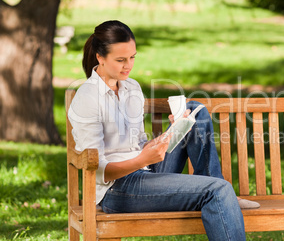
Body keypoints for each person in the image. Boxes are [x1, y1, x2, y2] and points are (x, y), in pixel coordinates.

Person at [68, 20, 259, 241]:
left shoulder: (132, 87)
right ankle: (221, 195)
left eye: (132, 57)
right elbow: (98, 170)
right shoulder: (88, 98)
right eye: (120, 60)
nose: (128, 65)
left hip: (145, 172)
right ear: (100, 57)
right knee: (219, 190)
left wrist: (173, 131)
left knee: (195, 110)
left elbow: (138, 144)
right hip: (116, 189)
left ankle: (217, 191)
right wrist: (141, 160)